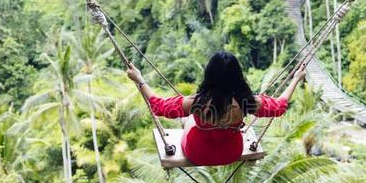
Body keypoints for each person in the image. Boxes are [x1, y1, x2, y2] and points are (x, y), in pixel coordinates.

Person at [126, 51, 307, 166]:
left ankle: (189, 121)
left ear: (209, 75)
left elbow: (159, 106)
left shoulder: (197, 103)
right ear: (238, 75)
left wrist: (139, 79)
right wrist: (296, 79)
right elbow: (280, 106)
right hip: (231, 153)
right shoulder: (247, 102)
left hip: (197, 152)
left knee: (189, 120)